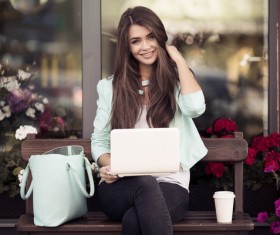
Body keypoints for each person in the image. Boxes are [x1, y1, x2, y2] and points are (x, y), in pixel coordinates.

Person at [91, 6, 208, 235]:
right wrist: (108, 165)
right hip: (122, 186)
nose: (145, 46)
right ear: (127, 47)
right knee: (145, 182)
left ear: (160, 38)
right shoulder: (109, 88)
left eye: (150, 37)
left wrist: (178, 60)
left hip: (171, 184)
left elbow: (195, 108)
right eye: (136, 41)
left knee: (135, 220)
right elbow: (100, 139)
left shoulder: (176, 82)